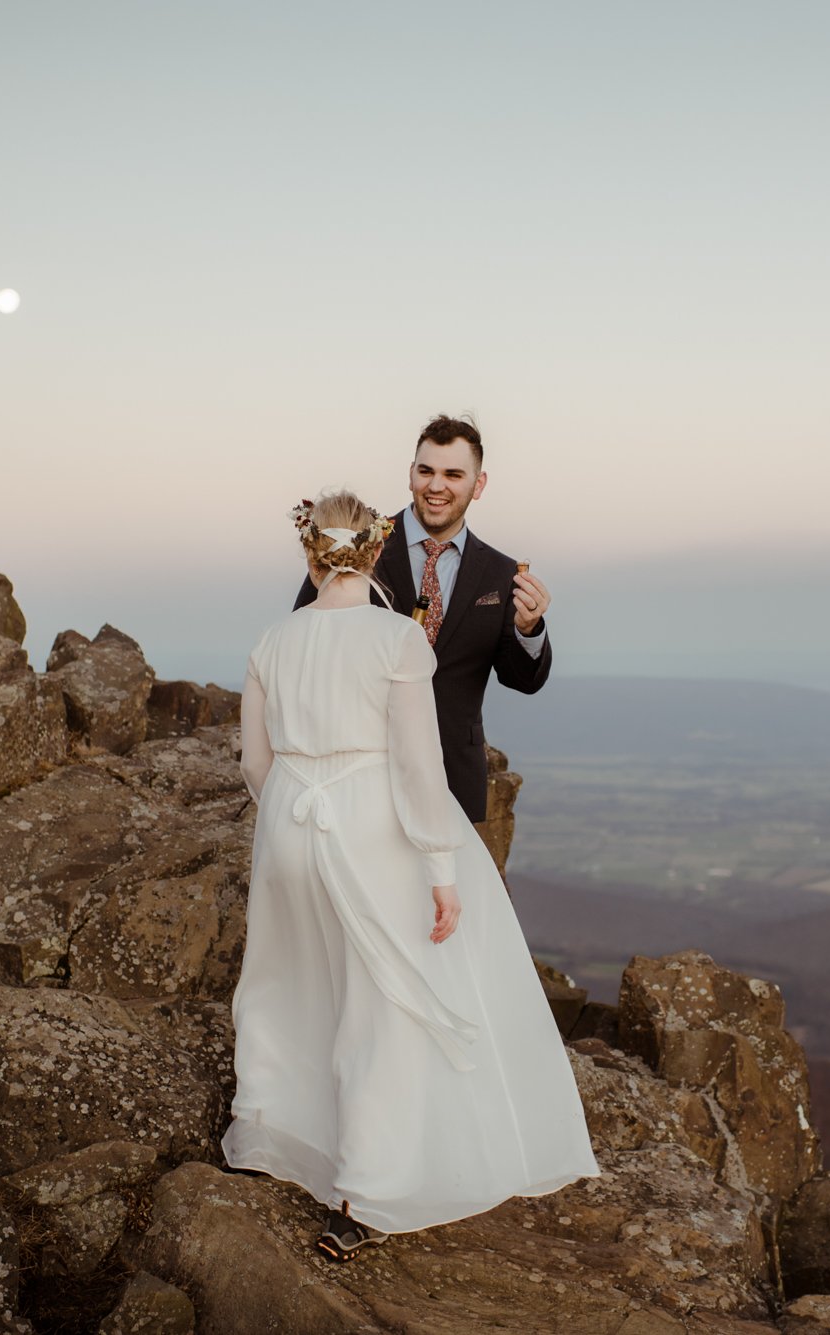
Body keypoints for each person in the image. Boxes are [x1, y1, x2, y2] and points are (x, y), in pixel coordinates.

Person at [224, 489, 598, 1261]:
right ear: (373, 547)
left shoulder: (271, 640)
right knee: (381, 1003)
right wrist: (441, 866)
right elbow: (421, 769)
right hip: (369, 823)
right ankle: (366, 1189)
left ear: (310, 552)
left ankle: (272, 1139)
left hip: (288, 825)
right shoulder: (398, 641)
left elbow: (254, 763)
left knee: (291, 986)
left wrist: (294, 809)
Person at [293, 415, 550, 824]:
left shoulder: (501, 574)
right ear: (410, 473)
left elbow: (524, 680)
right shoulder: (358, 545)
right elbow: (306, 637)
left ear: (478, 484)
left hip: (454, 782)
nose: (436, 486)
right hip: (357, 781)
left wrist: (528, 629)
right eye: (426, 471)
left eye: (453, 474)